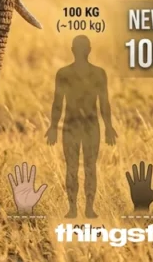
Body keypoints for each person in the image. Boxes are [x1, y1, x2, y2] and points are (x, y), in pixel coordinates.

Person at [46, 35, 117, 218]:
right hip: (85, 125)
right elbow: (104, 104)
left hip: (77, 125)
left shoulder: (66, 73)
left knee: (78, 167)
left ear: (72, 49)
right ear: (89, 50)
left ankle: (78, 208)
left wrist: (54, 126)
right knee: (86, 167)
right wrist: (108, 127)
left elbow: (57, 103)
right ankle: (81, 208)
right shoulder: (95, 73)